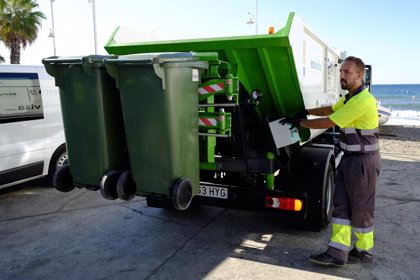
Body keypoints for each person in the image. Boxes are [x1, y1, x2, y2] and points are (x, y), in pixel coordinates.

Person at [281, 56, 381, 267]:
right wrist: (306, 111)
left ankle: (363, 251)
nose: (341, 76)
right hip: (350, 159)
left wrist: (299, 122)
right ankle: (337, 252)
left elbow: (328, 121)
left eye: (347, 72)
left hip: (364, 162)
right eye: (341, 71)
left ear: (359, 75)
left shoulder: (363, 100)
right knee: (341, 206)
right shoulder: (350, 98)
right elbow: (329, 110)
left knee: (361, 208)